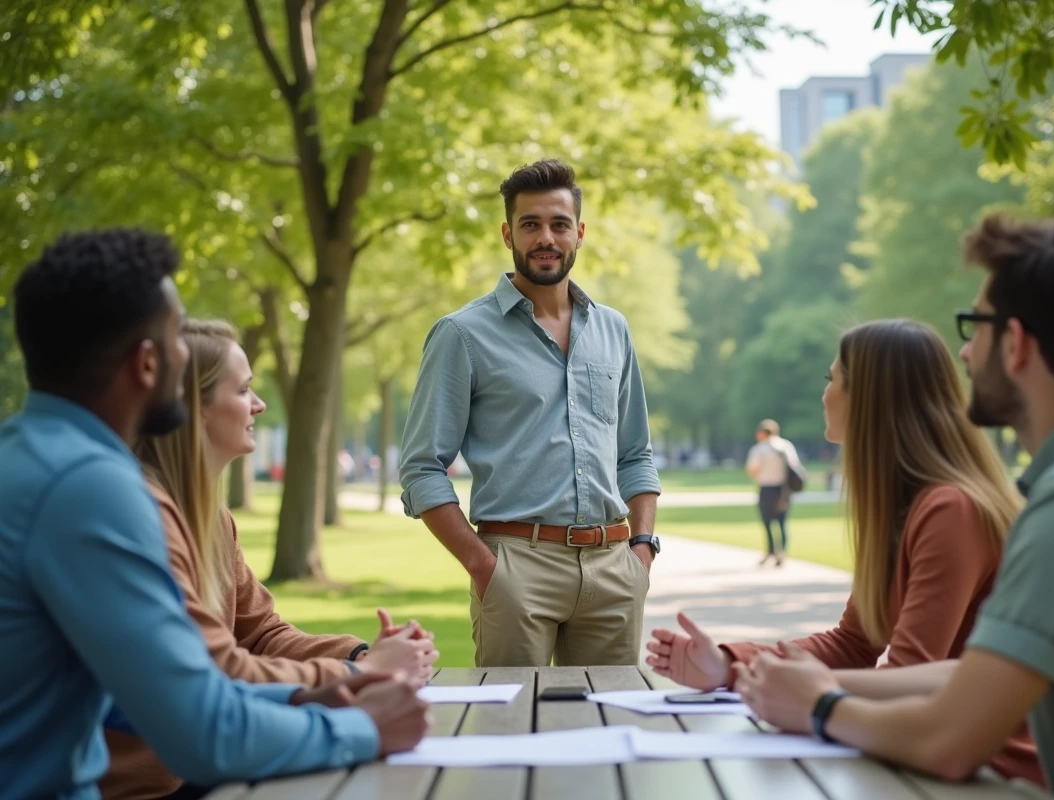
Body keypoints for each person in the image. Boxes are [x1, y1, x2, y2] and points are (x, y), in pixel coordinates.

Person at [734, 215, 1054, 799]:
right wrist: (792, 679)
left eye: (974, 326)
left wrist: (822, 706)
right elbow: (973, 675)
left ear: (1016, 344)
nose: (963, 350)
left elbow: (948, 742)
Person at [0, 229, 430, 800]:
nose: (186, 352)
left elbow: (154, 694)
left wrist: (312, 688)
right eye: (178, 336)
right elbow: (201, 731)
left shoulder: (29, 456)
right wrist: (364, 724)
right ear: (148, 362)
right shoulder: (90, 488)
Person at [647, 319, 1041, 784]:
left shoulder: (950, 509)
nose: (825, 394)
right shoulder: (910, 504)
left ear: (869, 398)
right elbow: (853, 644)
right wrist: (732, 664)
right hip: (936, 761)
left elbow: (909, 674)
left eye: (833, 380)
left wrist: (800, 695)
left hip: (997, 774)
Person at [101, 319, 440, 799]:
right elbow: (219, 671)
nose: (258, 405)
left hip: (201, 771)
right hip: (148, 787)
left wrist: (359, 653)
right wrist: (358, 674)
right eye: (243, 391)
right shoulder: (142, 517)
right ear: (195, 409)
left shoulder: (212, 520)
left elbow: (261, 635)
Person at [398, 159, 662, 667]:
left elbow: (635, 453)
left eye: (559, 224)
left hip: (614, 567)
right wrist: (484, 567)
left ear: (579, 233)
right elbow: (421, 467)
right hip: (516, 566)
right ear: (507, 234)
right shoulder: (462, 334)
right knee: (513, 731)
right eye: (531, 224)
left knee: (609, 735)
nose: (546, 237)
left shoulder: (613, 330)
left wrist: (643, 550)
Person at [744, 419, 805, 566]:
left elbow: (752, 469)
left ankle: (771, 550)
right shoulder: (786, 446)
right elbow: (794, 465)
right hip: (784, 489)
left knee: (767, 522)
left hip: (767, 488)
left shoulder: (759, 449)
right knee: (782, 521)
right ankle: (782, 552)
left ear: (762, 433)